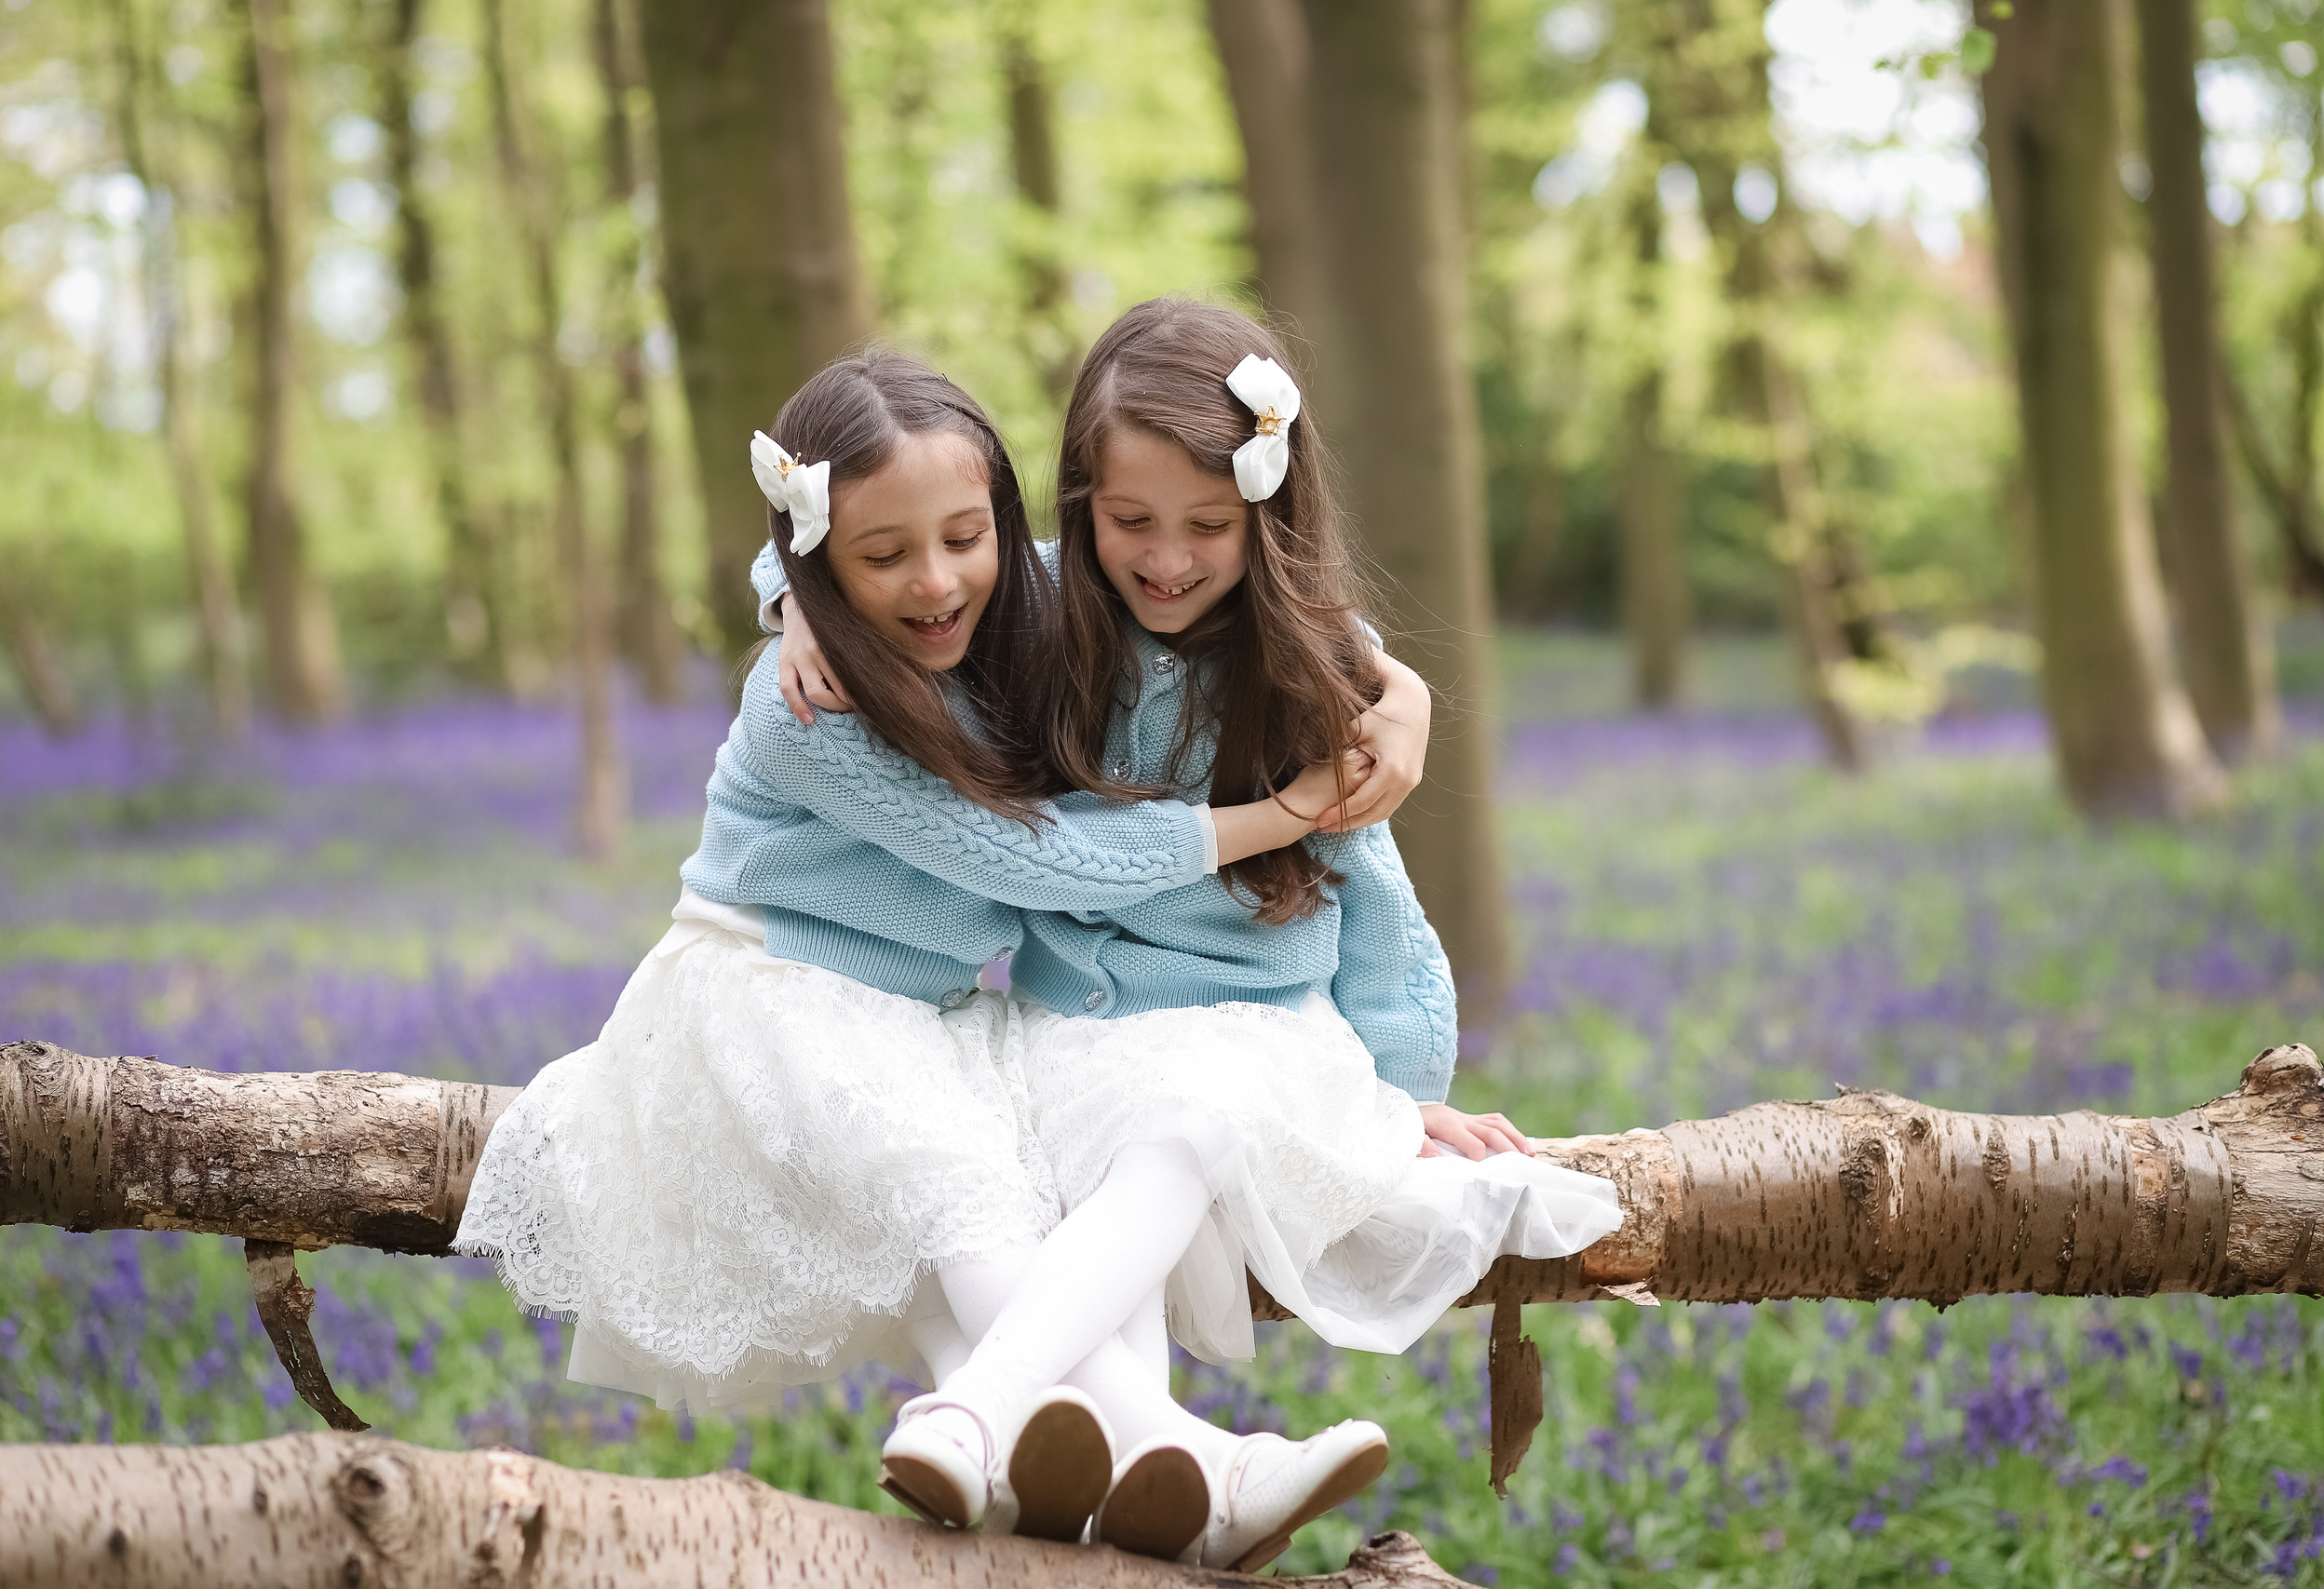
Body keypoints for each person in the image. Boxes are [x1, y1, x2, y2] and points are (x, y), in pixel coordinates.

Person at [454, 348, 1375, 1544]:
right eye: (882, 559)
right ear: (821, 560)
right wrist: (1281, 815)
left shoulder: (1020, 616)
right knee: (965, 1213)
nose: (935, 583)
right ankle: (1190, 1457)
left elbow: (1219, 584)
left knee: (982, 1242)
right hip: (771, 996)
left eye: (963, 539)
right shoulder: (804, 712)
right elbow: (1031, 863)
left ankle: (1021, 1468)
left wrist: (1389, 687)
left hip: (917, 1015)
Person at [763, 301, 1623, 1571]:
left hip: (1263, 1036)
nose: (1167, 558)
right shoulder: (1044, 616)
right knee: (1082, 1209)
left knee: (1189, 1129)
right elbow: (882, 541)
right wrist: (792, 597)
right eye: (1131, 522)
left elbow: (1373, 894)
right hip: (1075, 1033)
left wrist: (1402, 1094)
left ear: (1264, 518)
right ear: (1078, 507)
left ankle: (976, 1407)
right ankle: (1158, 1483)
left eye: (1208, 527)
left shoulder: (1304, 670)